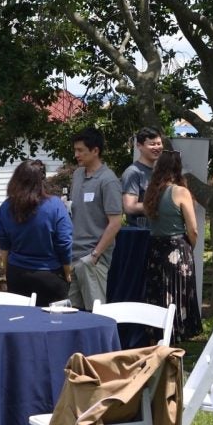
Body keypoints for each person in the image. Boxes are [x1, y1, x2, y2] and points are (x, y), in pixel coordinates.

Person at [0, 160, 73, 305]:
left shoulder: (6, 207)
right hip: (50, 275)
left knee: (20, 322)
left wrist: (7, 270)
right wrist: (67, 271)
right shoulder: (55, 205)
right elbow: (64, 242)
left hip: (17, 273)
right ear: (42, 180)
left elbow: (4, 245)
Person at [140, 150, 202, 341]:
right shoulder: (181, 192)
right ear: (178, 169)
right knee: (177, 294)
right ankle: (176, 336)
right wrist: (189, 246)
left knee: (157, 294)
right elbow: (193, 229)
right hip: (176, 247)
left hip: (155, 249)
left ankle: (156, 335)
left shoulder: (151, 192)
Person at [66, 128, 124, 311]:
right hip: (74, 256)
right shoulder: (77, 175)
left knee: (95, 312)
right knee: (72, 311)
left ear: (95, 150)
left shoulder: (108, 180)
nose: (76, 155)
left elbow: (115, 222)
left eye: (80, 150)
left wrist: (95, 255)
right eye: (75, 150)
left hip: (93, 259)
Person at [122, 127, 165, 228]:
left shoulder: (161, 171)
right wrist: (161, 206)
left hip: (159, 234)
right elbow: (129, 207)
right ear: (139, 146)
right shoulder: (133, 172)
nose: (157, 147)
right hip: (141, 235)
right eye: (152, 144)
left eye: (159, 143)